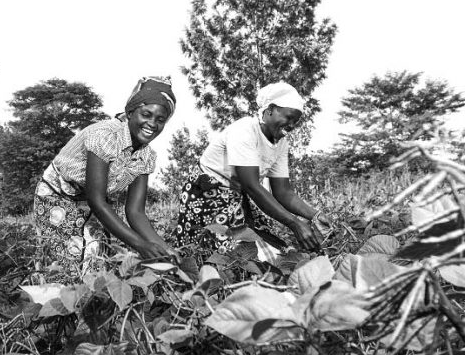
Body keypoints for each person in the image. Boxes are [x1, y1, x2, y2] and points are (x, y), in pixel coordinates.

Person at [34, 76, 178, 273]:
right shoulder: (106, 135)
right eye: (146, 114)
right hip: (56, 194)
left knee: (99, 256)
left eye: (160, 120)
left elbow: (135, 212)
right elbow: (97, 200)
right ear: (130, 112)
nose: (152, 123)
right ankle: (48, 298)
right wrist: (140, 245)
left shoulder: (146, 156)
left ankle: (90, 302)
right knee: (69, 259)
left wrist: (164, 248)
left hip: (87, 202)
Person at [174, 82, 330, 262]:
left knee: (276, 251)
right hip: (205, 197)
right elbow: (252, 186)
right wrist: (294, 223)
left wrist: (315, 215)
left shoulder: (280, 143)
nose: (292, 125)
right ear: (270, 109)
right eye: (289, 117)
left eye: (296, 121)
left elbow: (283, 192)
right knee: (222, 257)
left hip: (236, 197)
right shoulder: (245, 130)